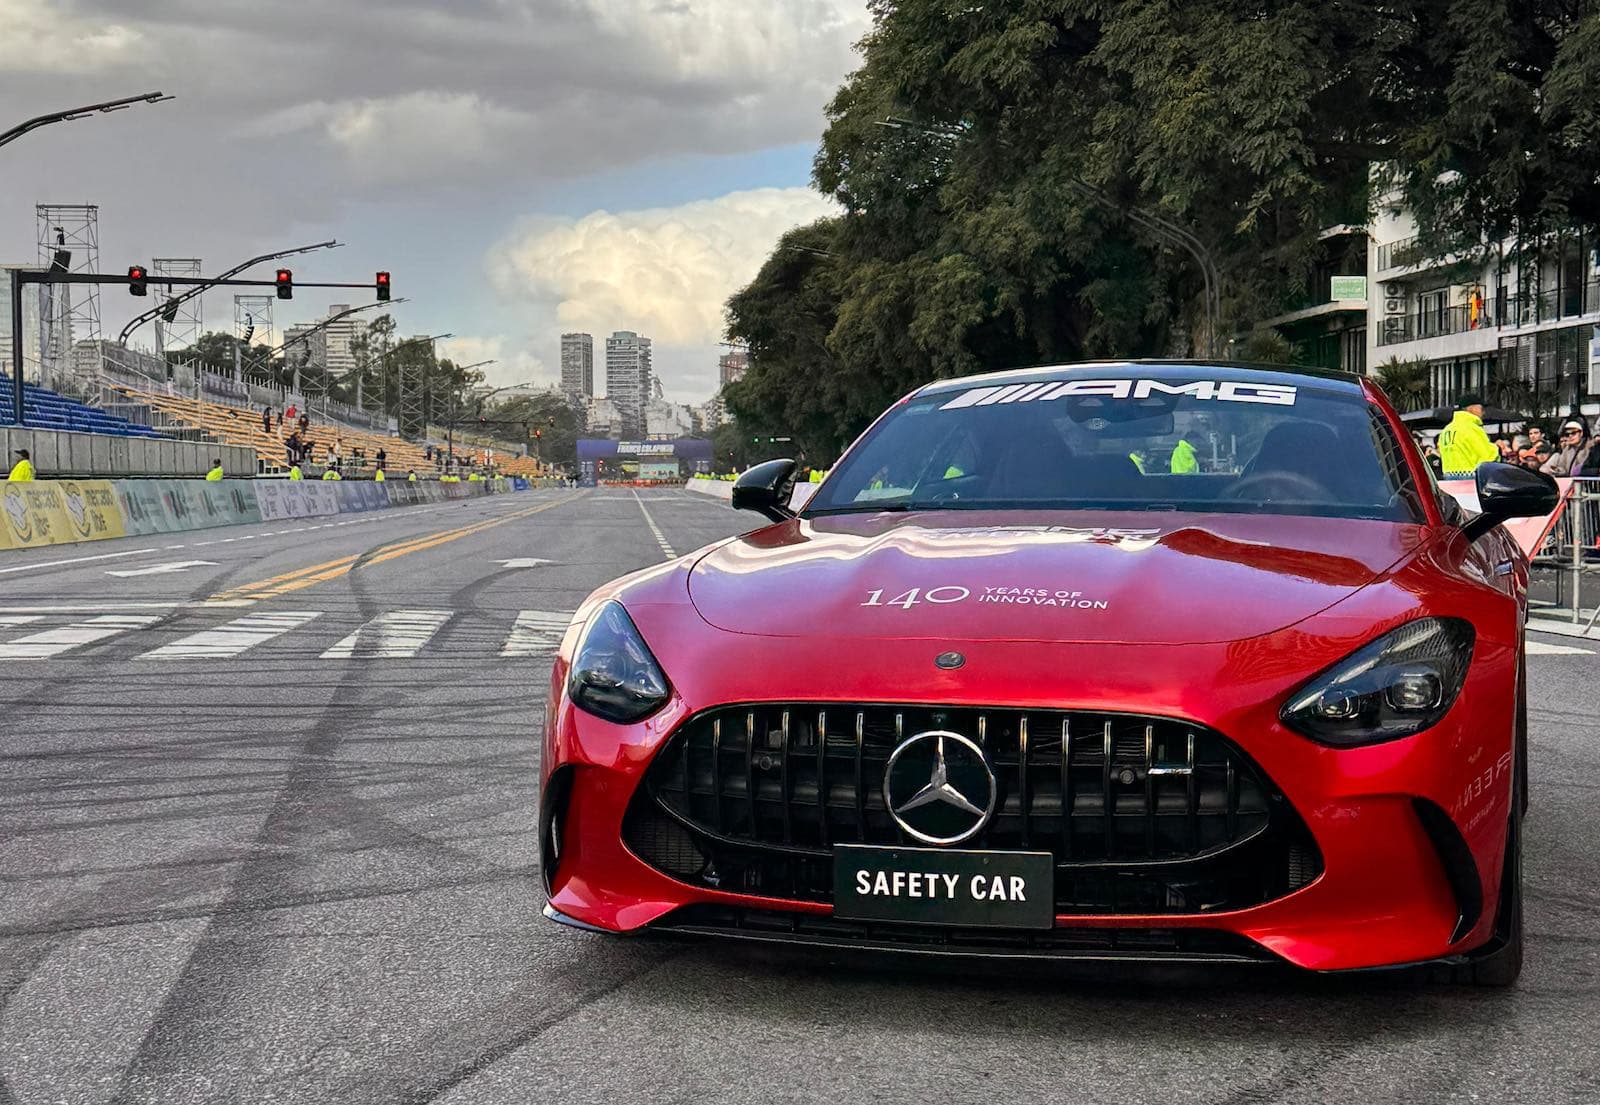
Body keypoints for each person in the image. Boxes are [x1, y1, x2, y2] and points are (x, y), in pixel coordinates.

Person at [1436, 393, 1498, 478]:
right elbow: (1489, 457)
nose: (1483, 412)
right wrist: (1498, 448)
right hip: (1470, 480)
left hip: (1449, 480)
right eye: (1481, 408)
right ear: (1472, 408)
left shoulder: (1446, 430)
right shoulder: (1472, 428)